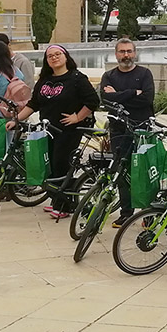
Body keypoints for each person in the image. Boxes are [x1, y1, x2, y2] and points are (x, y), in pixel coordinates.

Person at [8, 45, 99, 218]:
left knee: (62, 165)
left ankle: (65, 206)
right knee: (49, 166)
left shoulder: (77, 78)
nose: (54, 58)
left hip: (68, 131)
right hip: (47, 130)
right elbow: (34, 104)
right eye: (50, 56)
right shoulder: (45, 79)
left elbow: (93, 101)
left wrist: (77, 117)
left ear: (66, 57)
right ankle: (56, 200)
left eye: (58, 54)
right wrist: (16, 120)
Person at [99, 38, 156, 228]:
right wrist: (133, 93)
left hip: (142, 129)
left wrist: (119, 94)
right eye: (122, 52)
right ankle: (126, 212)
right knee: (122, 172)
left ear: (135, 53)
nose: (126, 55)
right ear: (116, 54)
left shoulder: (145, 74)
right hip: (118, 130)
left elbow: (147, 100)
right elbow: (106, 100)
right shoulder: (108, 76)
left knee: (145, 171)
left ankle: (148, 213)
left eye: (129, 51)